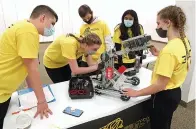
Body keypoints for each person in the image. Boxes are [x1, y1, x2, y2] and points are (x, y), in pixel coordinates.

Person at [123, 5, 191, 129]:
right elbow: (179, 63)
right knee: (165, 123)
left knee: (158, 125)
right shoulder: (184, 41)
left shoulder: (169, 50)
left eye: (158, 23)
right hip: (175, 93)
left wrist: (136, 93)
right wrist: (160, 54)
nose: (157, 27)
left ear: (168, 23)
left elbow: (160, 85)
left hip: (163, 97)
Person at [0, 5, 58, 128]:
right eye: (52, 23)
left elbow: (25, 63)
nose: (53, 28)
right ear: (43, 18)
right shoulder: (28, 31)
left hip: (4, 91)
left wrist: (31, 87)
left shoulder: (22, 26)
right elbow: (32, 68)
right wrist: (41, 101)